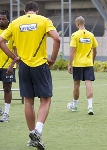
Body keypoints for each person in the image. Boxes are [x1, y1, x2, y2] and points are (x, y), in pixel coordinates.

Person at [0, 1, 60, 150]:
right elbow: (57, 39)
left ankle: (32, 135)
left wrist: (14, 58)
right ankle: (38, 131)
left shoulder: (15, 23)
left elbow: (1, 41)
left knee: (28, 101)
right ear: (37, 11)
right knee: (45, 99)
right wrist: (52, 59)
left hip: (24, 66)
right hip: (40, 65)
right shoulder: (44, 20)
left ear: (25, 11)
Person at [67, 16, 98, 115]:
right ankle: (90, 107)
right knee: (88, 84)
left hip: (78, 63)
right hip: (88, 63)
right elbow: (95, 50)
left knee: (76, 84)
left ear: (77, 24)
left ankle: (75, 106)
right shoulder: (91, 35)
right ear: (84, 23)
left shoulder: (75, 35)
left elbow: (72, 51)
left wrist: (69, 64)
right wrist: (92, 61)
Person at [0, 10, 17, 122]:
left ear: (8, 20)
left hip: (7, 65)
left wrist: (12, 65)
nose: (1, 21)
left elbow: (16, 51)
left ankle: (6, 114)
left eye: (3, 19)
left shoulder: (12, 33)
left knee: (7, 88)